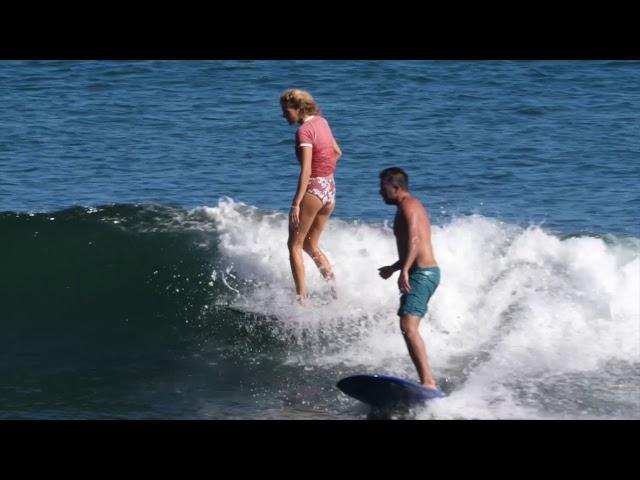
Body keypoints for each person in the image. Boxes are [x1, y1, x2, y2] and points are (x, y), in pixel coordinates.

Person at [377, 167, 441, 390]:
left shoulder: (408, 205)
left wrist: (404, 270)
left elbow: (414, 239)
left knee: (408, 325)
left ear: (396, 188)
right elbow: (415, 245)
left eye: (383, 188)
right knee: (408, 325)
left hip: (422, 274)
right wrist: (395, 268)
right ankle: (427, 379)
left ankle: (428, 382)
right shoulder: (409, 205)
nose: (380, 193)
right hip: (422, 272)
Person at [280, 89, 342, 303]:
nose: (284, 115)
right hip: (330, 189)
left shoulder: (304, 132)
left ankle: (301, 301)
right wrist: (325, 172)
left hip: (314, 189)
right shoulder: (322, 122)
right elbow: (337, 152)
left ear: (299, 109)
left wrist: (296, 203)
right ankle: (335, 294)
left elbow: (306, 170)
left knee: (294, 245)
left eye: (286, 111)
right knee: (311, 245)